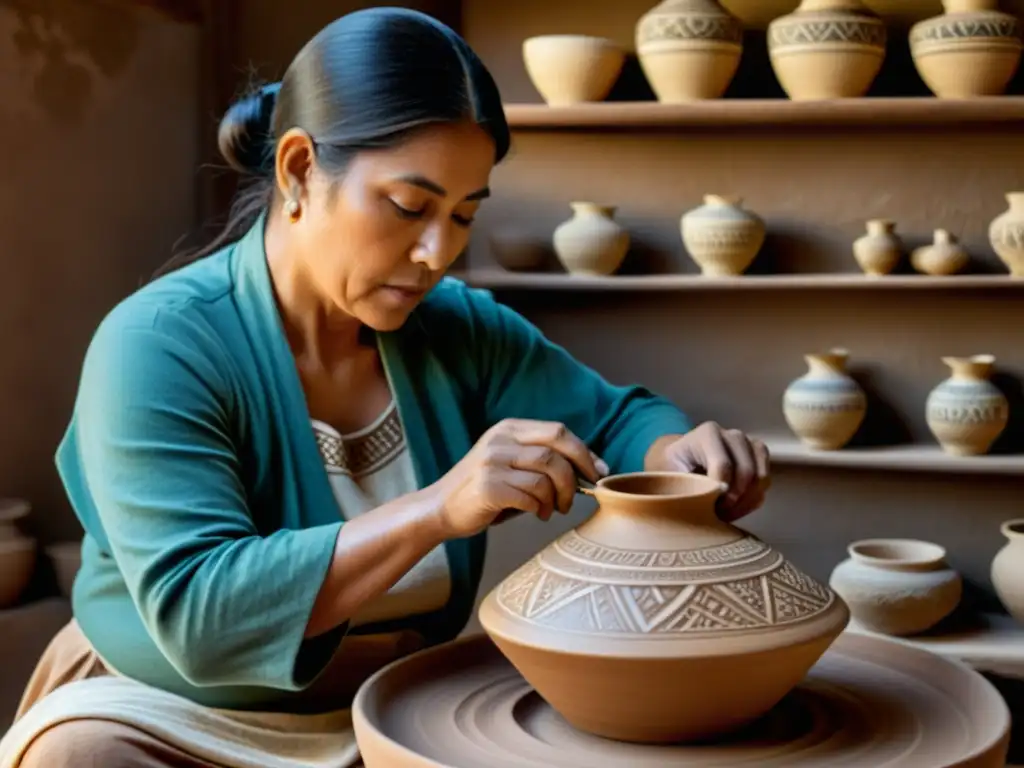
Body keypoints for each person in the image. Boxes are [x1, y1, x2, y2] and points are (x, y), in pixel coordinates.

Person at [0, 7, 769, 767]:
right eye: (409, 207)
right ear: (299, 169)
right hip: (167, 712)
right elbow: (203, 614)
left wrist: (681, 453)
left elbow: (618, 420)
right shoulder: (158, 344)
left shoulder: (460, 329)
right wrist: (440, 507)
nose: (438, 251)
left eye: (464, 215)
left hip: (392, 705)